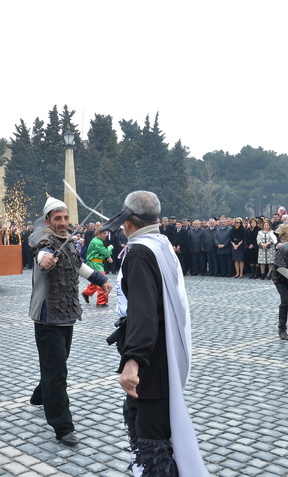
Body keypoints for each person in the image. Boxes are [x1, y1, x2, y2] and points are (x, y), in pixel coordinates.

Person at [103, 190, 209, 476]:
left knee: (152, 443)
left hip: (151, 364)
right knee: (158, 434)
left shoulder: (139, 251)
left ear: (127, 222)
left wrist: (133, 360)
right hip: (164, 354)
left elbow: (144, 312)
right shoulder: (161, 243)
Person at [29, 196, 112, 447]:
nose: (63, 222)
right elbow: (40, 253)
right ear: (48, 221)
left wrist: (100, 279)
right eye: (58, 219)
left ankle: (40, 395)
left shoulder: (69, 244)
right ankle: (63, 427)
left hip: (67, 316)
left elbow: (79, 266)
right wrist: (45, 259)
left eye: (65, 218)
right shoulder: (43, 240)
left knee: (56, 363)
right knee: (57, 371)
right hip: (47, 318)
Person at [81, 228, 114, 307]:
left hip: (96, 263)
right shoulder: (97, 242)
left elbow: (102, 253)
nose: (106, 235)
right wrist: (110, 248)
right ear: (98, 234)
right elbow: (105, 252)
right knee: (102, 282)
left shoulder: (97, 241)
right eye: (104, 233)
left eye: (106, 233)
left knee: (96, 280)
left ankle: (86, 292)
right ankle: (101, 302)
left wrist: (108, 256)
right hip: (95, 263)